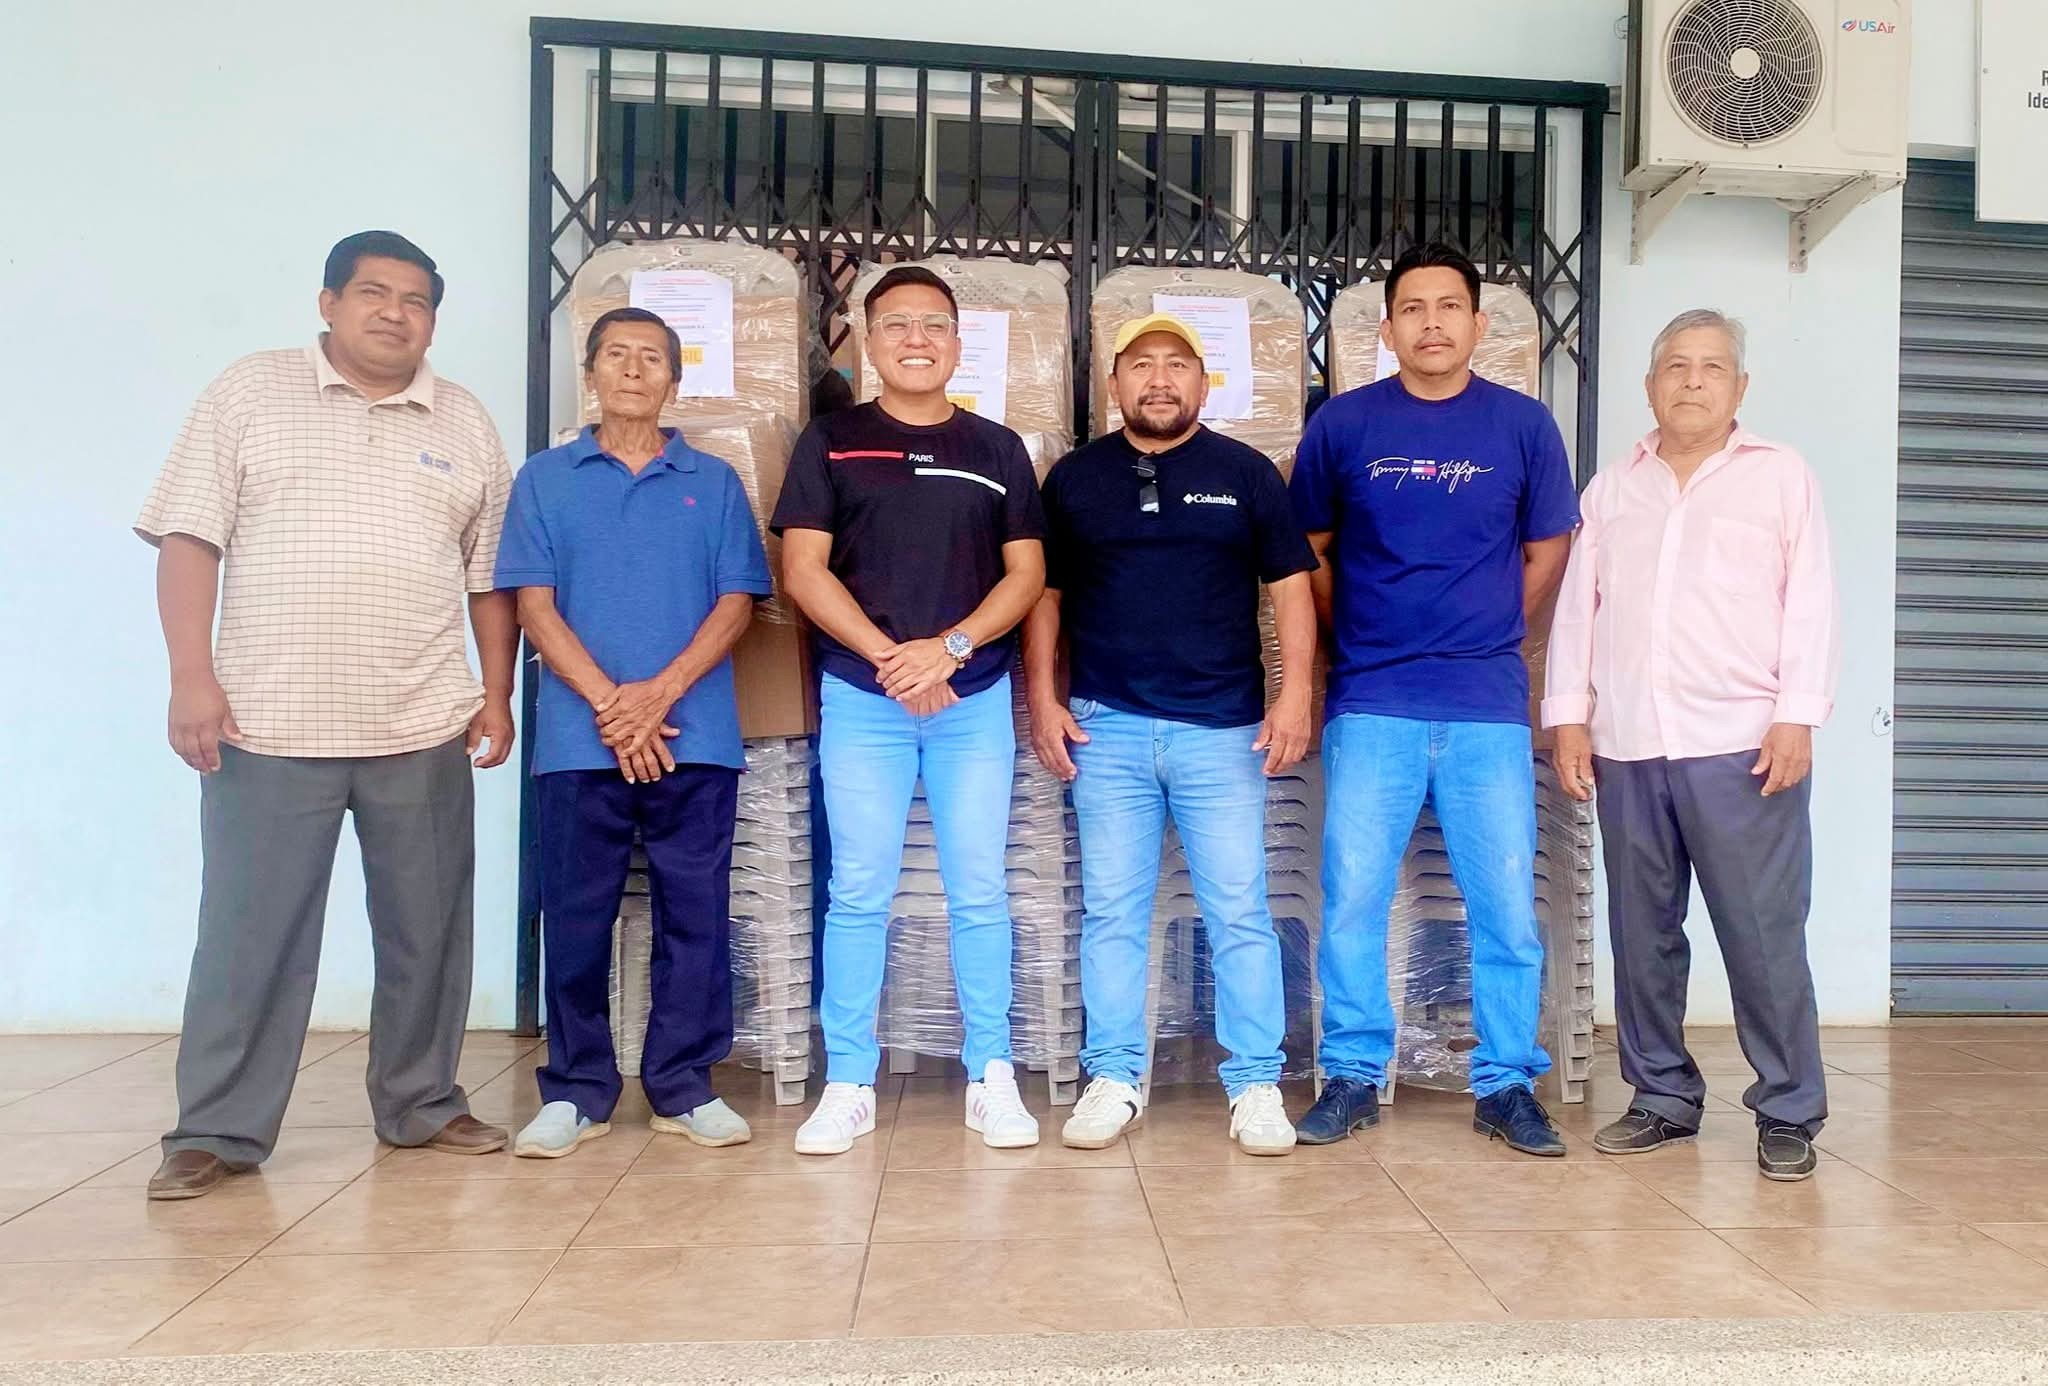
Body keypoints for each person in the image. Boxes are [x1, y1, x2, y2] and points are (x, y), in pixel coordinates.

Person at [134, 231, 517, 1199]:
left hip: (420, 720)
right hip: (269, 722)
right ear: (328, 303)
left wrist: (495, 693)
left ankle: (421, 1102)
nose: (395, 313)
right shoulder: (250, 392)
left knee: (428, 932)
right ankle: (217, 1129)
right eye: (373, 293)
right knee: (249, 936)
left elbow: (489, 578)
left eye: (416, 300)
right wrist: (191, 677)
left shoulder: (465, 420)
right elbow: (188, 539)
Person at [1289, 241, 1580, 1155]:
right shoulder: (1343, 426)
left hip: (1486, 701)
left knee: (1505, 907)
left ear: (1478, 324)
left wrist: (1492, 621)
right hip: (1372, 698)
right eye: (1412, 308)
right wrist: (1357, 627)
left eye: (1449, 306)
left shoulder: (1523, 426)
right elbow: (1309, 550)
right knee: (1352, 900)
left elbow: (1549, 548)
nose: (1432, 324)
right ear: (1388, 328)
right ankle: (1352, 1074)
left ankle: (1505, 1084)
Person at [1545, 309, 1838, 1182]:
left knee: (1762, 935)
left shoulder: (1779, 477)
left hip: (1743, 744)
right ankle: (1662, 1097)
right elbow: (1578, 611)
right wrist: (1569, 716)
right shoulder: (1612, 489)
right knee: (1642, 935)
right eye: (1676, 365)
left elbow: (1812, 601)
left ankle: (1788, 1108)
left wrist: (1798, 714)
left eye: (1712, 366)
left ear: (1740, 387)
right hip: (1630, 741)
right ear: (1650, 386)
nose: (1693, 380)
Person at [770, 266, 1047, 1155]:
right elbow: (803, 569)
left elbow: (1028, 574)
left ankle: (991, 1073)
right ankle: (849, 1079)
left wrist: (949, 648)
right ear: (866, 339)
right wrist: (892, 658)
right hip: (865, 699)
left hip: (972, 698)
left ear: (958, 343)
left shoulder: (998, 448)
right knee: (858, 890)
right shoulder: (832, 439)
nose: (916, 339)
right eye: (896, 323)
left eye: (933, 323)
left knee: (979, 890)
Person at [1025, 313, 1316, 1155]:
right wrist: (1043, 699)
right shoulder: (1075, 478)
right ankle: (1114, 1077)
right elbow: (1044, 597)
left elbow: (1291, 589)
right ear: (1114, 383)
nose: (1160, 380)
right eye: (1142, 365)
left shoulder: (1246, 473)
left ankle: (1255, 1083)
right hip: (1106, 729)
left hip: (1223, 733)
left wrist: (1295, 696)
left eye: (1177, 364)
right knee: (1113, 913)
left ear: (1203, 381)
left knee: (1239, 913)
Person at [495, 307, 774, 1159]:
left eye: (651, 357)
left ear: (674, 381)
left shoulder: (713, 482)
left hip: (696, 735)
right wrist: (615, 708)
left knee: (696, 917)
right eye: (615, 354)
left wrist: (657, 696)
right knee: (577, 917)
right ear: (590, 374)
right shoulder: (544, 479)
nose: (632, 369)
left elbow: (737, 604)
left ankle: (683, 1087)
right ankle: (576, 1091)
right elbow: (534, 607)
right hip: (579, 741)